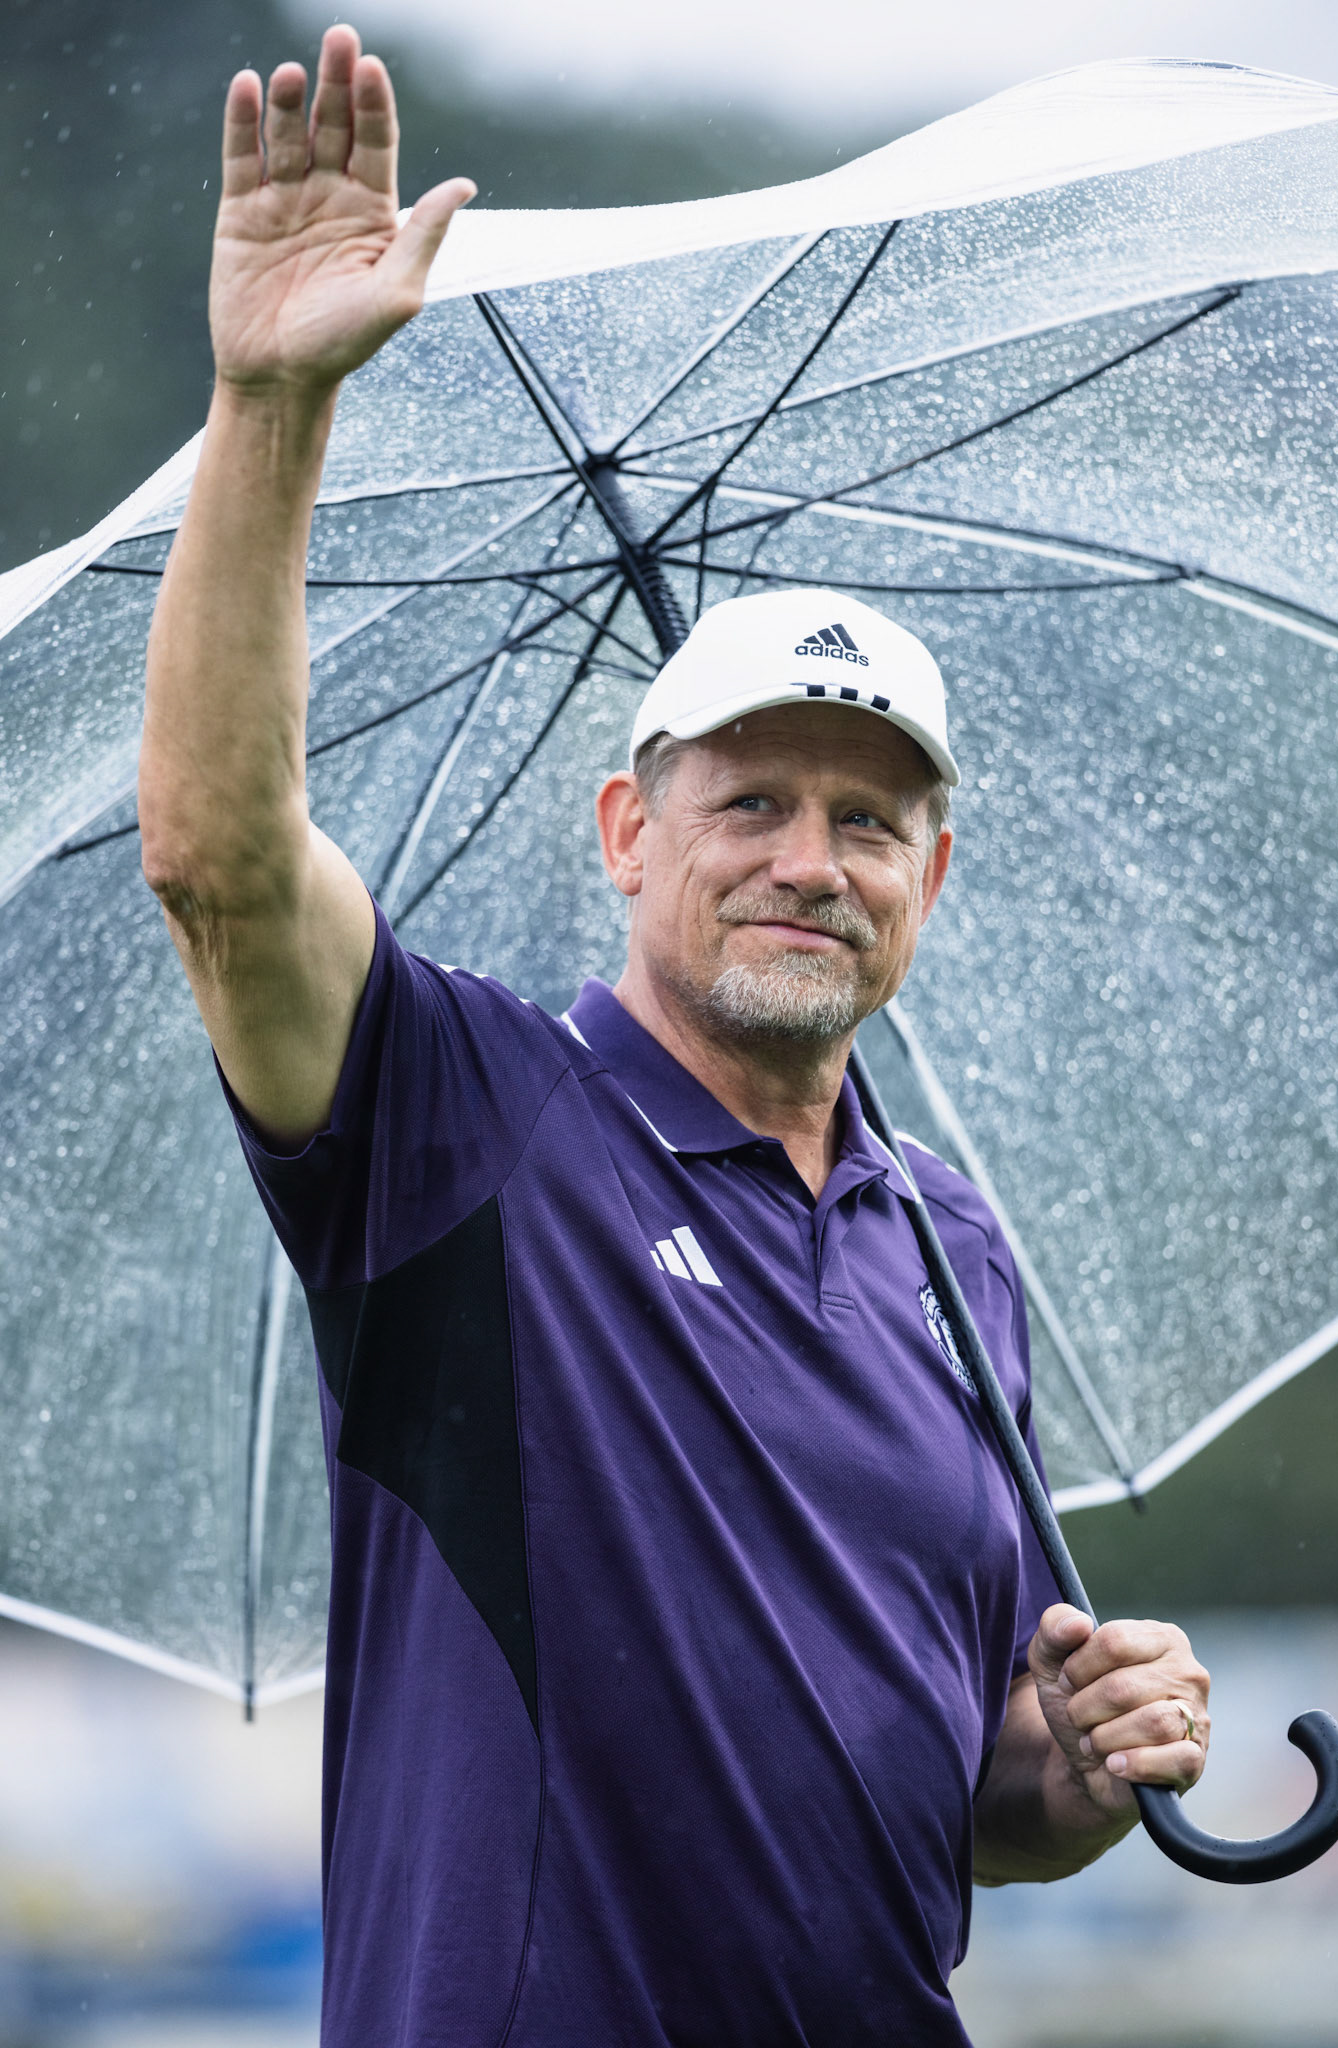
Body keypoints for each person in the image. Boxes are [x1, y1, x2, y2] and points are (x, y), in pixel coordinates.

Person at [139, 27, 1212, 2047]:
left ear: (930, 872)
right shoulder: (462, 1123)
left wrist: (1061, 1776)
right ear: (627, 833)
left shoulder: (947, 1250)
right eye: (749, 804)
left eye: (867, 819)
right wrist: (270, 405)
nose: (810, 859)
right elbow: (216, 857)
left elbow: (944, 1796)